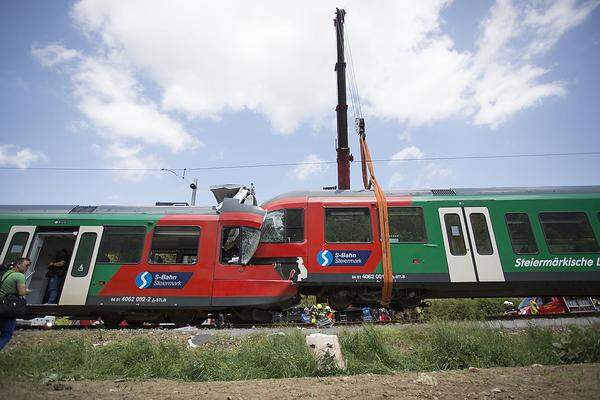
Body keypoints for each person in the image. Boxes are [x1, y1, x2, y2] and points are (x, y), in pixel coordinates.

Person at [0, 257, 31, 350]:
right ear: (18, 264)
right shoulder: (20, 276)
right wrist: (28, 291)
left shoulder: (6, 274)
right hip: (8, 309)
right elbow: (21, 292)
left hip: (1, 304)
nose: (27, 268)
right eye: (26, 265)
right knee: (6, 334)